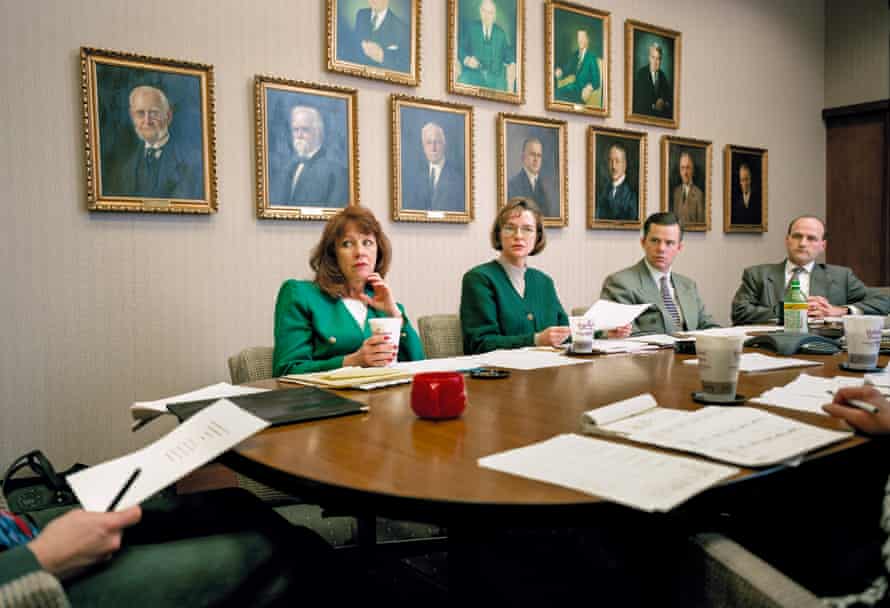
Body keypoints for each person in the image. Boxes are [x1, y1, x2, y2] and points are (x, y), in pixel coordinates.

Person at [0, 488, 335, 606]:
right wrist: (41, 558)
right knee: (277, 551)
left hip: (17, 532)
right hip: (24, 578)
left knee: (235, 503)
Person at [460, 198, 629, 354]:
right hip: (498, 377)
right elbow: (479, 344)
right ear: (499, 234)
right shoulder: (479, 279)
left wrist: (606, 332)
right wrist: (536, 340)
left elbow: (565, 332)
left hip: (545, 373)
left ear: (537, 237)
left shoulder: (543, 281)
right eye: (510, 228)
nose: (518, 236)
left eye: (527, 229)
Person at [273, 205, 424, 376]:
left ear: (378, 251)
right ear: (333, 254)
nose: (360, 252)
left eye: (367, 242)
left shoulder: (387, 305)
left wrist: (396, 316)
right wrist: (352, 362)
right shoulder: (300, 295)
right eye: (347, 244)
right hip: (326, 400)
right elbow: (286, 371)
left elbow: (419, 367)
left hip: (382, 400)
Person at [731, 215, 890, 325]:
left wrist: (840, 310)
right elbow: (739, 312)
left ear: (823, 246)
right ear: (787, 241)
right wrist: (792, 310)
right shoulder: (757, 275)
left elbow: (884, 301)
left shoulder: (841, 277)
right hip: (768, 346)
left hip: (822, 348)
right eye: (797, 236)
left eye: (811, 238)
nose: (802, 243)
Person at [601, 212, 720, 335]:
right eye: (655, 241)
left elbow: (707, 325)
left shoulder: (688, 285)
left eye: (669, 243)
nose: (661, 249)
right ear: (643, 243)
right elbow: (627, 335)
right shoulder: (620, 283)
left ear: (679, 247)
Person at [105, 85, 203, 200]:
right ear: (132, 117)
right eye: (140, 113)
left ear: (168, 116)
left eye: (153, 113)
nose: (147, 121)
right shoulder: (126, 169)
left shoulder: (193, 161)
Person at [271, 105, 349, 207]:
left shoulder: (336, 172)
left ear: (317, 132)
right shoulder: (287, 169)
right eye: (295, 129)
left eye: (305, 129)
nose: (299, 135)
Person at [404, 122, 465, 212]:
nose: (433, 148)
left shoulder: (458, 178)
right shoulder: (417, 177)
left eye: (437, 142)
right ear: (423, 147)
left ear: (444, 144)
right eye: (429, 143)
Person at [457, 0, 516, 92]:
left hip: (495, 78)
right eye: (484, 11)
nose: (487, 16)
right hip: (474, 74)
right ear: (480, 11)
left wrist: (512, 62)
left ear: (494, 15)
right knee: (460, 84)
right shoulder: (472, 28)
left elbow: (507, 52)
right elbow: (459, 48)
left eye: (490, 13)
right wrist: (467, 60)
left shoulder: (500, 33)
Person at [351, 0, 410, 72]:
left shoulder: (401, 28)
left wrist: (382, 56)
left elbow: (403, 67)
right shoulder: (361, 14)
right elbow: (354, 47)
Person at [507, 138, 556, 218]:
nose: (536, 159)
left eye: (539, 155)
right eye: (532, 154)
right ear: (523, 157)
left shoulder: (545, 188)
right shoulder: (512, 185)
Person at [554, 28, 600, 105]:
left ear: (587, 40)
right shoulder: (575, 55)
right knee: (555, 94)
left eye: (582, 38)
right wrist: (561, 72)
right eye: (578, 38)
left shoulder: (591, 58)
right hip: (572, 88)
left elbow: (597, 81)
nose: (580, 40)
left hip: (581, 93)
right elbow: (567, 70)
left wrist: (589, 88)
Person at [596, 142, 638, 221]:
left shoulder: (632, 193)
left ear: (625, 165)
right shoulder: (603, 191)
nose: (613, 166)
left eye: (617, 161)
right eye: (611, 161)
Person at [632, 42, 672, 118]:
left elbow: (669, 100)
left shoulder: (663, 76)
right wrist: (654, 106)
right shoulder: (641, 74)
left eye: (658, 59)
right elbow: (639, 101)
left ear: (661, 60)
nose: (655, 62)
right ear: (649, 58)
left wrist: (663, 102)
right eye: (653, 57)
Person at [671, 151, 705, 225]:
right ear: (680, 170)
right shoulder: (676, 192)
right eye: (682, 168)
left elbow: (701, 224)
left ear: (692, 170)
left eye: (688, 168)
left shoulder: (698, 194)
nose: (685, 173)